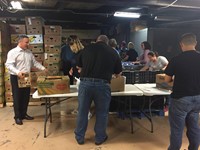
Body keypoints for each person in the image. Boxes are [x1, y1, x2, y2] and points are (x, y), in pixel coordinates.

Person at [74, 35, 122, 145]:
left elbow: (78, 66)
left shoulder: (86, 49)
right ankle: (99, 138)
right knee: (102, 112)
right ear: (107, 42)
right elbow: (118, 73)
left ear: (97, 41)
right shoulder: (113, 52)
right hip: (102, 85)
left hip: (85, 83)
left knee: (82, 111)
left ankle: (80, 137)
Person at [165, 33, 200, 150]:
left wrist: (175, 81)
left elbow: (167, 80)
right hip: (198, 98)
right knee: (194, 126)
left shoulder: (176, 59)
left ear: (181, 44)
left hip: (180, 99)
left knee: (176, 129)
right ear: (195, 43)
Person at [5, 35, 47, 125]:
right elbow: (8, 65)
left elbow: (34, 62)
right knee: (17, 97)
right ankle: (17, 117)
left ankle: (24, 114)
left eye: (28, 42)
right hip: (17, 77)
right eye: (26, 42)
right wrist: (18, 72)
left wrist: (43, 68)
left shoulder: (28, 52)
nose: (28, 44)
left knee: (25, 96)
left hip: (26, 77)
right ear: (20, 42)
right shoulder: (13, 52)